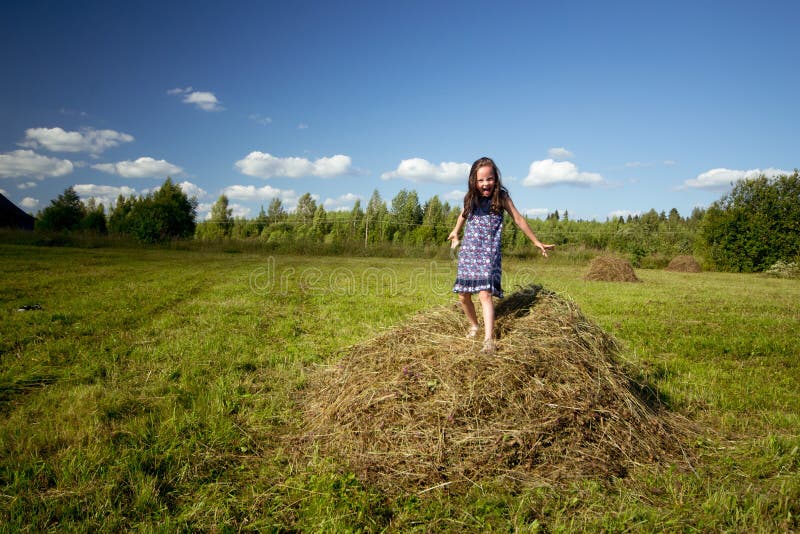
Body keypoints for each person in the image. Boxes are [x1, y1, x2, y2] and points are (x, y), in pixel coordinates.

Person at [447, 156, 554, 354]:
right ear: (474, 181)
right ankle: (474, 326)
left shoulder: (501, 197)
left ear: (495, 178)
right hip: (469, 251)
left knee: (485, 294)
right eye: (480, 180)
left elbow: (519, 219)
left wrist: (536, 241)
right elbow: (463, 214)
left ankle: (488, 340)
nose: (485, 183)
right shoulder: (470, 198)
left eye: (489, 179)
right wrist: (455, 231)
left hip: (489, 252)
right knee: (463, 296)